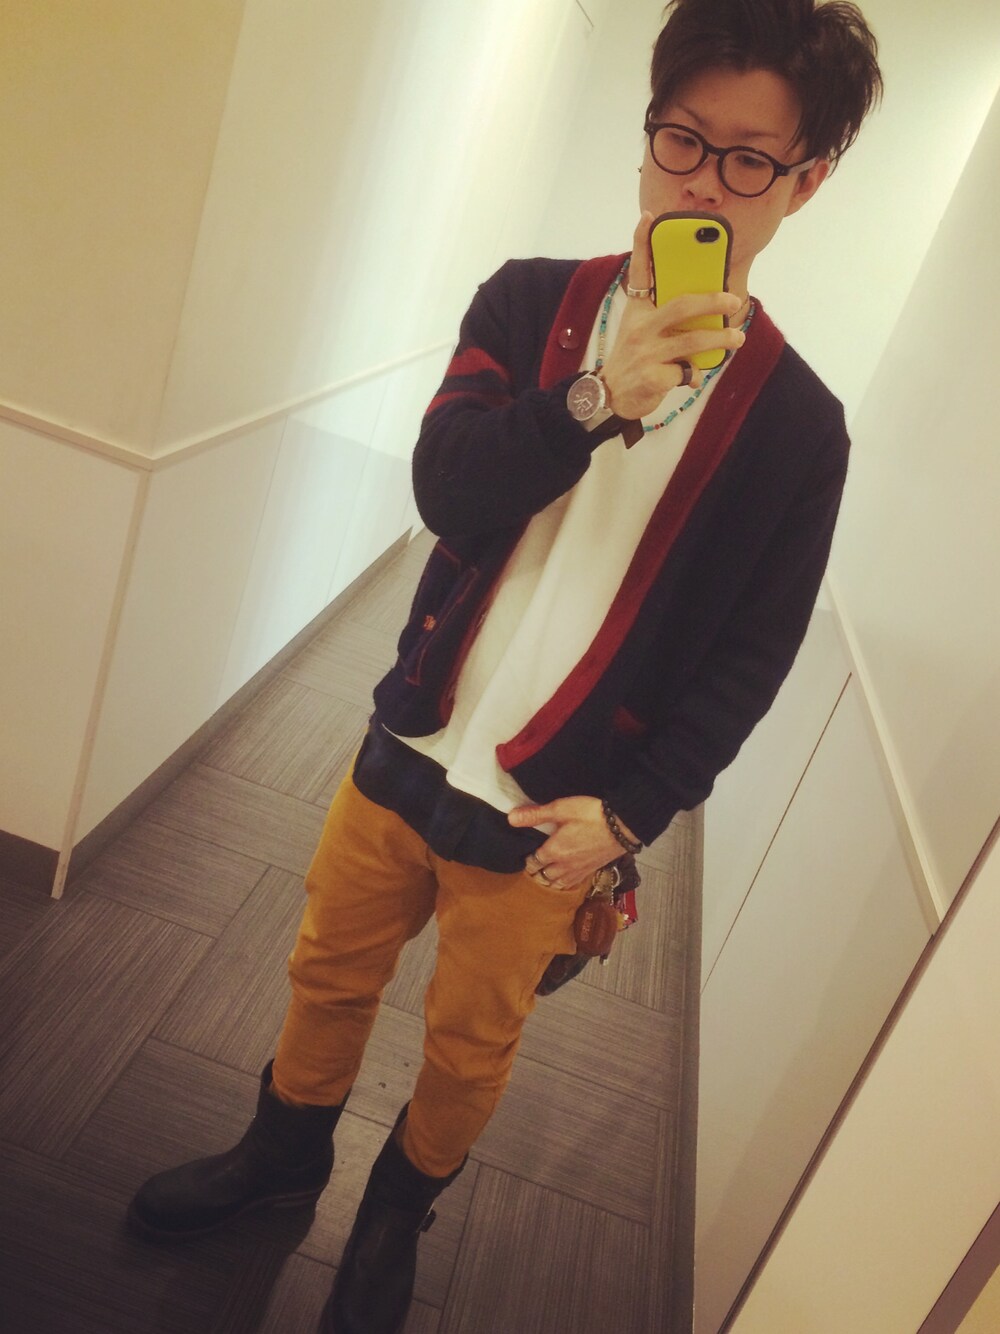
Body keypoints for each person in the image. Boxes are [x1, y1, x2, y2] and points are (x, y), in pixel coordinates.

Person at [127, 1, 883, 1330]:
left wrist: (632, 814)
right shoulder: (531, 300)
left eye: (748, 160)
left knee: (473, 1040)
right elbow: (447, 488)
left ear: (806, 183)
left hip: (554, 815)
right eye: (682, 139)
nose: (702, 183)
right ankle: (280, 1155)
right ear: (647, 133)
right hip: (411, 736)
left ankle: (393, 1217)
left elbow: (752, 658)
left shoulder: (799, 429)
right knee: (326, 968)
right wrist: (595, 400)